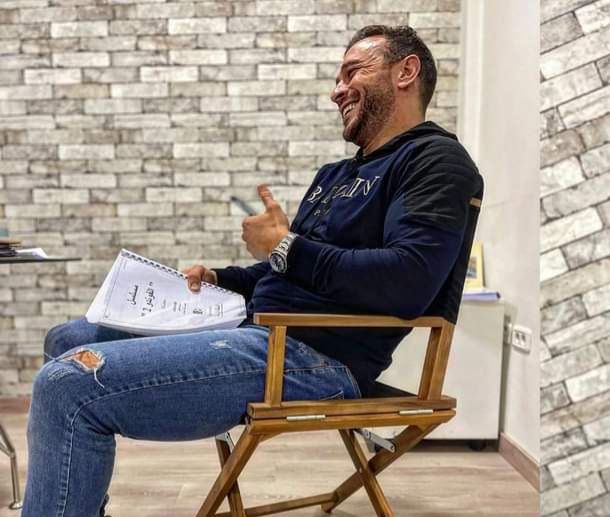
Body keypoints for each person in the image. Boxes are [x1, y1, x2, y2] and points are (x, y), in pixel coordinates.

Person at [21, 25, 483, 517]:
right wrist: (223, 278)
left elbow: (408, 282)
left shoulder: (435, 161)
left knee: (66, 386)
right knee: (67, 338)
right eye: (338, 78)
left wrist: (284, 246)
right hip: (260, 331)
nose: (337, 90)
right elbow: (289, 272)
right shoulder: (335, 175)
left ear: (406, 72)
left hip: (318, 357)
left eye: (353, 72)